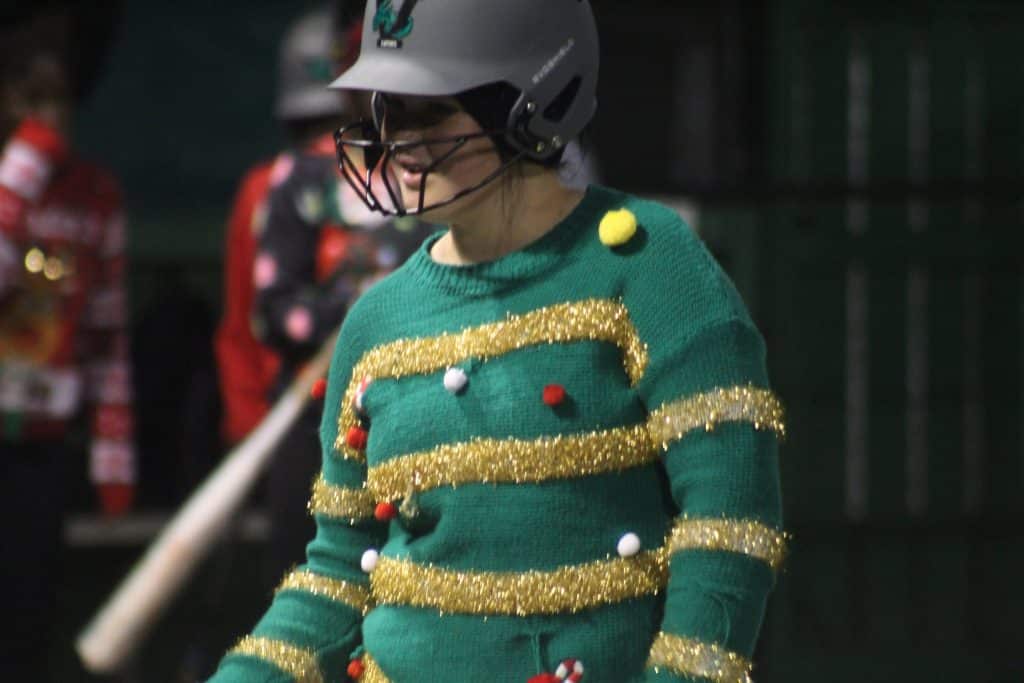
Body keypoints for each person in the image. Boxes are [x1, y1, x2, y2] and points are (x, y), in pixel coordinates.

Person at [210, 2, 785, 682]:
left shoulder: (651, 266)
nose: (398, 139)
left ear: (530, 104)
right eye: (385, 108)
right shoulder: (377, 319)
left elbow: (729, 519)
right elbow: (339, 569)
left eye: (429, 110)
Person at [0, 8, 134, 678]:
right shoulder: (11, 179)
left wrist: (114, 460)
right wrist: (23, 166)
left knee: (28, 622)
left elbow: (107, 338)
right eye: (29, 95)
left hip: (45, 445)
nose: (48, 114)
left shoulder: (95, 194)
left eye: (56, 97)